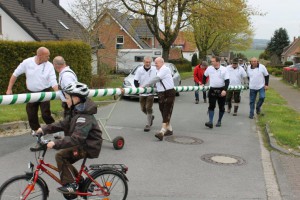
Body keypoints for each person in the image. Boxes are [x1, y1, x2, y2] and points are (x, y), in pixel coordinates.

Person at [36, 82, 102, 194]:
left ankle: (71, 185)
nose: (66, 100)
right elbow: (62, 124)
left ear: (75, 98)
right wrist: (44, 129)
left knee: (61, 156)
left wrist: (55, 143)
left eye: (67, 98)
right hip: (83, 143)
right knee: (64, 157)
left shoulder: (84, 116)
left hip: (89, 146)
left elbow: (77, 139)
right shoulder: (77, 110)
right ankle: (79, 182)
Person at [6, 47, 58, 132]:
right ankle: (37, 131)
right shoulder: (27, 62)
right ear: (40, 55)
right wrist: (9, 89)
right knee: (31, 114)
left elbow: (53, 80)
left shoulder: (49, 65)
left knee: (45, 114)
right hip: (31, 92)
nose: (49, 58)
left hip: (45, 91)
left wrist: (57, 93)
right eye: (47, 56)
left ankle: (54, 130)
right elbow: (15, 74)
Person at [143, 57, 176, 141]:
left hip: (169, 93)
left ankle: (162, 131)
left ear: (162, 63)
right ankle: (169, 129)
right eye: (155, 63)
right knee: (162, 111)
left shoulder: (165, 69)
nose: (155, 64)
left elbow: (157, 79)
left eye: (156, 63)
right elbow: (158, 82)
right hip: (161, 93)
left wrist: (145, 85)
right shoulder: (158, 70)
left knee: (166, 111)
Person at [202, 56, 229, 128]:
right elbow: (204, 75)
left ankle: (219, 121)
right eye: (211, 61)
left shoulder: (224, 69)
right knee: (211, 106)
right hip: (212, 90)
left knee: (221, 107)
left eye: (213, 61)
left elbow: (227, 81)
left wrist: (225, 90)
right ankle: (210, 122)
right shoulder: (209, 68)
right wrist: (203, 83)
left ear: (218, 62)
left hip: (221, 90)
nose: (211, 62)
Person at [134, 56, 156, 132]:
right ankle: (151, 117)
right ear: (144, 62)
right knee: (143, 108)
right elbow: (136, 81)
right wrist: (138, 88)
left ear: (151, 62)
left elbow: (158, 78)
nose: (148, 63)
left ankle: (148, 124)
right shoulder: (140, 70)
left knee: (148, 107)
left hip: (151, 92)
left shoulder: (154, 69)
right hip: (142, 92)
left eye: (149, 62)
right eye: (146, 62)